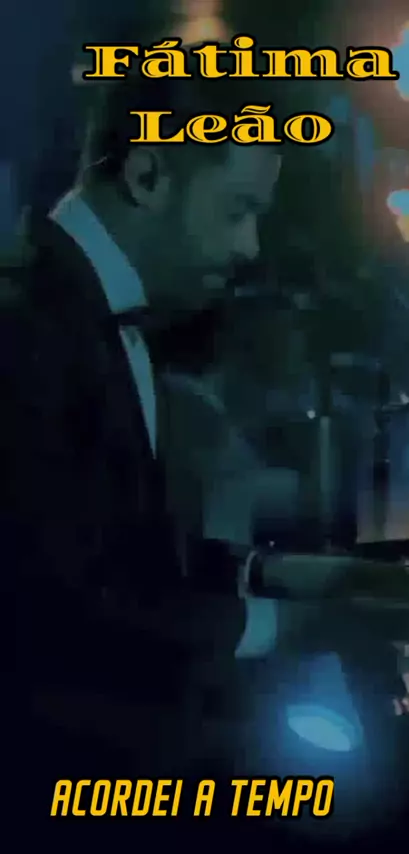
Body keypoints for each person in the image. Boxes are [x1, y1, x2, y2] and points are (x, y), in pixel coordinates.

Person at [6, 68, 282, 811]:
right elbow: (63, 615)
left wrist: (293, 577)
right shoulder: (25, 327)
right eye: (239, 210)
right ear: (148, 174)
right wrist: (287, 625)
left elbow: (122, 553)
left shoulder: (85, 308)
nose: (252, 246)